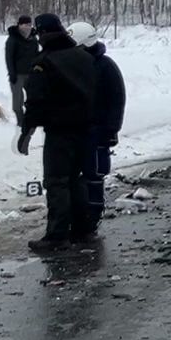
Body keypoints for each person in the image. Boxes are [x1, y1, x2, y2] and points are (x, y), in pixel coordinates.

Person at [16, 14, 98, 251]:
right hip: (85, 128)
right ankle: (83, 229)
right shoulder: (83, 57)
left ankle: (57, 235)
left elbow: (35, 101)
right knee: (76, 178)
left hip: (59, 131)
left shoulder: (45, 62)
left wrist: (27, 131)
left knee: (57, 181)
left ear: (41, 33)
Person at [68, 21, 126, 234]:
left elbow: (117, 99)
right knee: (73, 176)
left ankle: (91, 216)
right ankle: (76, 216)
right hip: (76, 131)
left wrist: (111, 130)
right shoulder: (75, 64)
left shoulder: (105, 66)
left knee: (94, 175)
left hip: (98, 131)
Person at [4, 15, 39, 128]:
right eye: (25, 25)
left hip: (31, 74)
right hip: (17, 75)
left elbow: (37, 55)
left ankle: (31, 120)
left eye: (29, 25)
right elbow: (9, 58)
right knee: (17, 102)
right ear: (19, 25)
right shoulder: (13, 39)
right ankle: (20, 121)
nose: (27, 27)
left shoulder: (34, 39)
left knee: (33, 99)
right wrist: (12, 73)